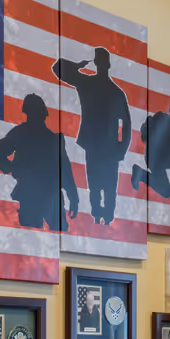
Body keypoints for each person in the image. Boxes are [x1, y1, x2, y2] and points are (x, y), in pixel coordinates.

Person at [51, 48, 132, 225]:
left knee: (98, 187)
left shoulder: (89, 84)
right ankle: (103, 218)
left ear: (95, 63)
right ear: (108, 64)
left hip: (100, 147)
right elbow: (126, 125)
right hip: (106, 148)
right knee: (104, 188)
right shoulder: (115, 92)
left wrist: (77, 66)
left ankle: (100, 217)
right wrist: (121, 150)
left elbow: (58, 68)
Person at [0, 94, 76, 232]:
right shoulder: (23, 134)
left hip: (48, 194)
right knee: (32, 236)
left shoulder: (51, 139)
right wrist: (12, 168)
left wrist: (73, 197)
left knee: (53, 233)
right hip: (34, 193)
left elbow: (65, 170)